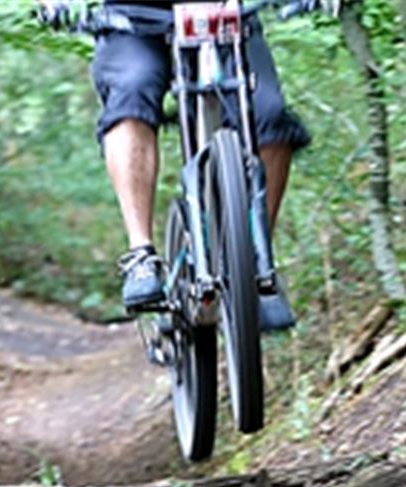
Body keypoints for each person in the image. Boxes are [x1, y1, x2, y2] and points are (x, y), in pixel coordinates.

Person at [42, 0, 314, 311]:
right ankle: (140, 254)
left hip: (229, 15)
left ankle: (254, 264)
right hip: (134, 19)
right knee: (132, 90)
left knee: (269, 114)